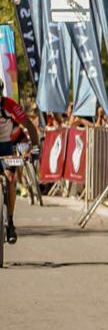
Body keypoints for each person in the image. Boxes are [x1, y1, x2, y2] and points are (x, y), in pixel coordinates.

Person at [0, 81, 40, 244]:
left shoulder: (9, 104)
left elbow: (29, 125)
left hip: (5, 147)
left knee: (11, 179)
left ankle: (10, 221)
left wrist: (35, 148)